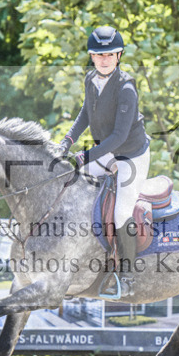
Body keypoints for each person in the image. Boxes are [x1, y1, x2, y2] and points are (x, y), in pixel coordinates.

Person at [59, 26, 150, 296]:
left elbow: (120, 137)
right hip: (105, 151)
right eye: (99, 55)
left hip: (131, 154)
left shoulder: (126, 88)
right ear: (92, 56)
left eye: (110, 54)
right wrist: (67, 140)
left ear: (119, 55)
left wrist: (85, 156)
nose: (105, 59)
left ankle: (129, 274)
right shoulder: (91, 79)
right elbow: (85, 113)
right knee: (71, 183)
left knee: (122, 212)